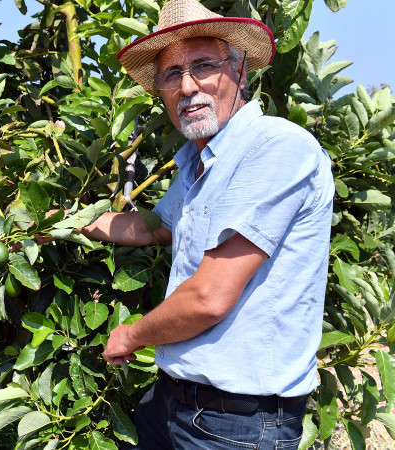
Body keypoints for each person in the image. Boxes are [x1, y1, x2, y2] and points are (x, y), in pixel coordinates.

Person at [79, 0, 334, 448]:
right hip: (175, 403)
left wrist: (131, 336)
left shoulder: (276, 148)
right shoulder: (198, 163)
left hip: (238, 425)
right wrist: (77, 224)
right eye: (172, 74)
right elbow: (157, 226)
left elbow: (209, 298)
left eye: (203, 65)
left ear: (239, 71)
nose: (188, 86)